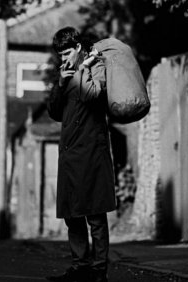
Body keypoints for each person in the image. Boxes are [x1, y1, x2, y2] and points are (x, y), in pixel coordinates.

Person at [46, 27, 116, 282]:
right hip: (69, 153)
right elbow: (54, 112)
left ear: (78, 48)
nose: (63, 59)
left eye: (66, 53)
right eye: (60, 55)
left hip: (92, 152)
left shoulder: (97, 66)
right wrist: (61, 83)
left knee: (95, 214)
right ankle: (79, 268)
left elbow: (93, 96)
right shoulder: (65, 74)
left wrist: (84, 68)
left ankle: (98, 271)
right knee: (72, 214)